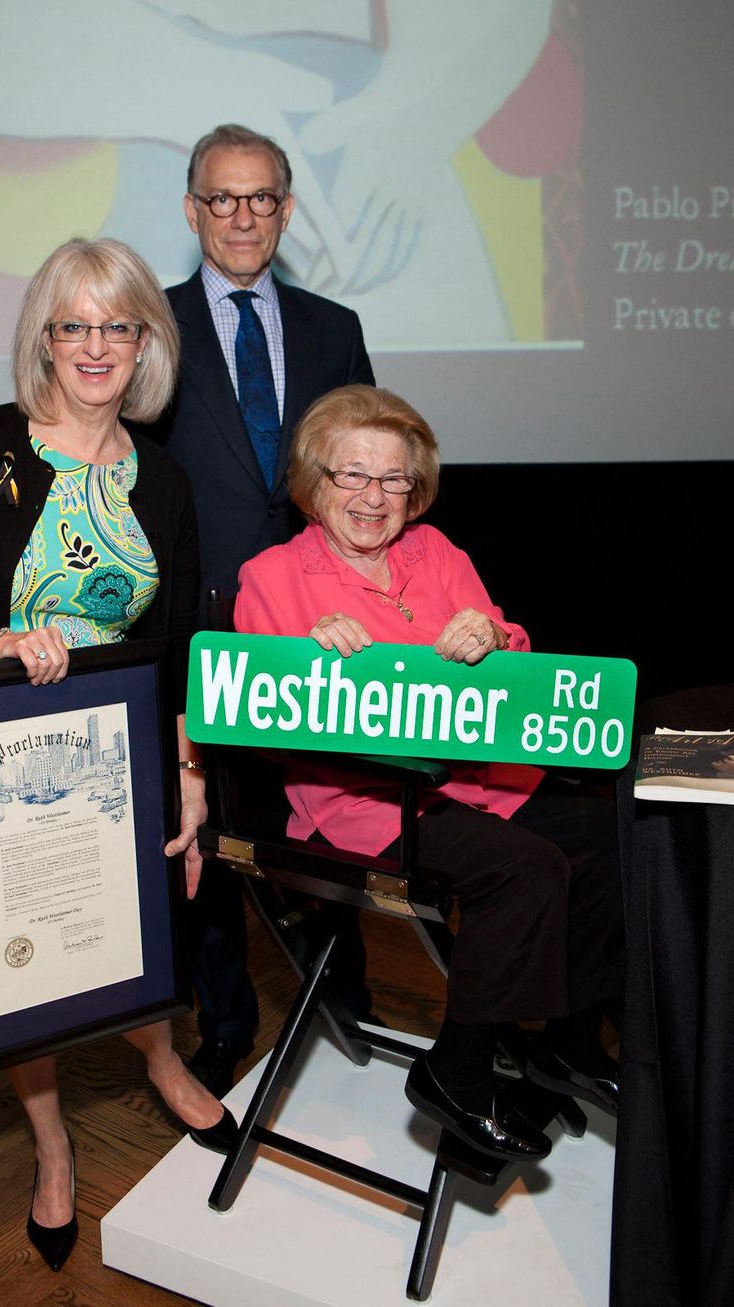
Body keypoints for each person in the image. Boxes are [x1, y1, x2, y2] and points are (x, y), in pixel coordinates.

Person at [0, 237, 236, 1273]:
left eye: (118, 323)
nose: (95, 344)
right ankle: (53, 1140)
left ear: (147, 340)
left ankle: (159, 1057)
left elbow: (188, 647)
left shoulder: (162, 478)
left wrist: (190, 771)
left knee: (133, 918)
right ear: (43, 337)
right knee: (23, 954)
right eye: (72, 323)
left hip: (118, 754)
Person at [234, 384, 623, 1159]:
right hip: (369, 804)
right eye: (353, 475)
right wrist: (306, 655)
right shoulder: (273, 576)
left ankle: (571, 1040)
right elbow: (253, 704)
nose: (374, 497)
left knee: (614, 832)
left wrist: (496, 633)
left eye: (393, 480)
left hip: (477, 782)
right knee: (526, 870)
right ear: (315, 482)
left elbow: (512, 649)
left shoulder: (437, 552)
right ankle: (461, 1071)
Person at [143, 122, 376, 1096]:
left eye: (261, 198)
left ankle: (344, 997)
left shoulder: (334, 326)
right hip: (196, 622)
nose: (241, 215)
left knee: (334, 811)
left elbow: (365, 475)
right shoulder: (145, 326)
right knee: (206, 826)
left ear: (286, 209)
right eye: (221, 198)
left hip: (320, 625)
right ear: (193, 209)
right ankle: (225, 1019)